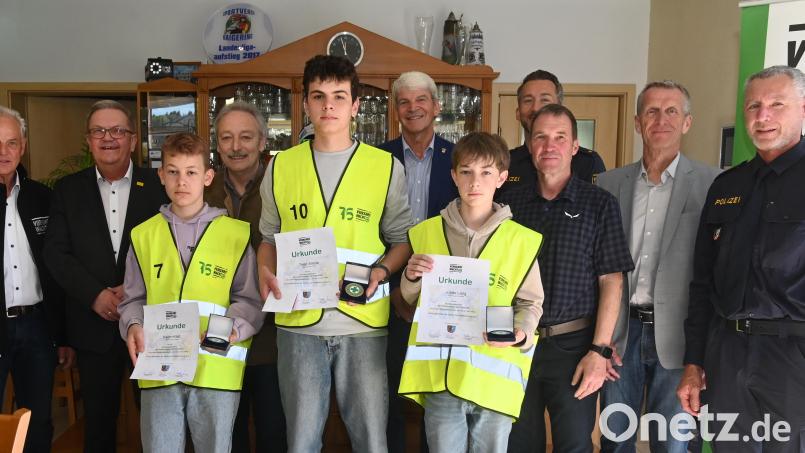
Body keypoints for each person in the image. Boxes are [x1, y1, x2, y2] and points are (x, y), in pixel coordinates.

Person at [257, 55, 413, 453]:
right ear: (306, 103)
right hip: (298, 325)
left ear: (356, 105)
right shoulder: (280, 166)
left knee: (372, 442)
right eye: (319, 96)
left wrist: (381, 270)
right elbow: (268, 238)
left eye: (339, 96)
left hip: (362, 324)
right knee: (302, 442)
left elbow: (403, 240)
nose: (329, 105)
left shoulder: (385, 166)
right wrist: (263, 270)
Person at [678, 65, 805, 451]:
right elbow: (702, 284)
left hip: (792, 358)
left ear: (802, 108)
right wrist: (694, 362)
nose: (762, 116)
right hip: (726, 354)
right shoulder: (726, 186)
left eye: (776, 104)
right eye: (753, 106)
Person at [398, 132, 544, 453]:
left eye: (486, 172)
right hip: (443, 382)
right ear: (454, 176)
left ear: (502, 178)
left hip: (493, 382)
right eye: (466, 171)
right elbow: (410, 299)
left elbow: (531, 303)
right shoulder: (426, 232)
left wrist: (523, 330)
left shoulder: (520, 240)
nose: (475, 182)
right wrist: (410, 276)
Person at [118, 131, 264, 452]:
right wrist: (133, 325)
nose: (181, 181)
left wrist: (229, 330)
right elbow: (132, 299)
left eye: (191, 172)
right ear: (161, 175)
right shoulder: (144, 235)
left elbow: (250, 300)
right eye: (173, 172)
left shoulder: (235, 235)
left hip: (215, 368)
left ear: (208, 177)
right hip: (160, 368)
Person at [500, 104, 633, 453]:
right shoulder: (508, 205)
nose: (549, 146)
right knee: (518, 444)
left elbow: (612, 281)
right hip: (515, 343)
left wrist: (599, 350)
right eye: (540, 137)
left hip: (574, 348)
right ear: (529, 145)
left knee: (574, 445)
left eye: (560, 137)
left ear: (575, 146)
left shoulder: (600, 204)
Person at [596, 81, 720, 453]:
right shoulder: (608, 183)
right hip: (622, 335)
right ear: (637, 122)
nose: (661, 120)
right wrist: (602, 339)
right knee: (616, 438)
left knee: (676, 444)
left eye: (671, 112)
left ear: (686, 122)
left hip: (680, 337)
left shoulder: (713, 184)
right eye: (651, 111)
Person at [44, 100, 167, 452]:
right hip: (92, 324)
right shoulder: (67, 191)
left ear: (132, 139)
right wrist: (95, 294)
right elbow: (55, 252)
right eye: (99, 131)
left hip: (149, 323)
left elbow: (171, 248)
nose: (108, 138)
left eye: (117, 131)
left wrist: (131, 291)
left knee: (157, 421)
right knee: (98, 424)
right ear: (88, 140)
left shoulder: (158, 185)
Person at [377, 70, 458, 453]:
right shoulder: (376, 158)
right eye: (404, 102)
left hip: (446, 295)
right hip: (387, 289)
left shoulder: (458, 158)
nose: (413, 108)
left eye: (421, 100)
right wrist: (396, 290)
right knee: (388, 394)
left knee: (435, 394)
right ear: (396, 110)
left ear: (436, 106)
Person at [206, 102, 286, 452]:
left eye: (245, 137)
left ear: (262, 142)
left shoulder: (282, 184)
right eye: (227, 138)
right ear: (217, 144)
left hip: (272, 333)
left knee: (273, 430)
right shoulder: (201, 187)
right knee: (226, 433)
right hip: (215, 329)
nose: (236, 146)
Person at [0, 107, 72, 453]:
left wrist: (62, 334)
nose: (4, 151)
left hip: (36, 325)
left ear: (23, 146)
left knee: (37, 420)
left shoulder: (43, 197)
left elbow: (56, 270)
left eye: (11, 143)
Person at [497, 70, 606, 202]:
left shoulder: (588, 162)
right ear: (518, 113)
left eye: (545, 100)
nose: (535, 108)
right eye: (528, 101)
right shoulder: (504, 162)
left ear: (559, 108)